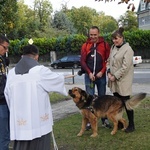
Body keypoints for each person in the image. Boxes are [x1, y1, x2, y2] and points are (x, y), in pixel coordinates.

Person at [4, 44, 67, 150]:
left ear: (22, 56)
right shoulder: (40, 71)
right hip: (37, 119)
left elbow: (7, 95)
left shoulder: (11, 73)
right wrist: (61, 77)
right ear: (36, 56)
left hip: (21, 120)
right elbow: (57, 81)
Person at [80, 26, 111, 130]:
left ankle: (104, 119)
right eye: (91, 34)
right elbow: (83, 61)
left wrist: (102, 71)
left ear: (98, 34)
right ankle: (90, 120)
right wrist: (89, 73)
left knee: (102, 98)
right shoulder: (85, 45)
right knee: (90, 99)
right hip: (89, 77)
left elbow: (108, 61)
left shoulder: (105, 45)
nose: (93, 36)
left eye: (95, 34)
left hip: (100, 77)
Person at [107, 27, 135, 133]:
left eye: (116, 38)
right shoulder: (113, 47)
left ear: (122, 38)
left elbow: (125, 67)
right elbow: (109, 60)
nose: (114, 41)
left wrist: (115, 76)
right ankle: (118, 123)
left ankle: (131, 125)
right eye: (113, 39)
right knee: (116, 103)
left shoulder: (128, 49)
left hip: (123, 81)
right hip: (114, 80)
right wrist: (108, 72)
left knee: (126, 103)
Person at [0, 34, 10, 150]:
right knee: (4, 136)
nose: (6, 50)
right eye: (4, 47)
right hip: (1, 101)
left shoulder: (1, 59)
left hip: (4, 99)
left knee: (5, 134)